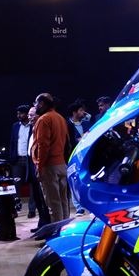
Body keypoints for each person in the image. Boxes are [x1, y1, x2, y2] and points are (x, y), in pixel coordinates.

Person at [31, 93, 70, 222]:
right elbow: (66, 143)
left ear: (41, 104)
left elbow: (43, 145)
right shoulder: (60, 118)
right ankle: (65, 230)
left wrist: (39, 166)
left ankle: (58, 234)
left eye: (36, 103)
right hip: (61, 165)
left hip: (49, 166)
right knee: (63, 200)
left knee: (53, 203)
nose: (35, 106)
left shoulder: (44, 120)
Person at [8, 105, 36, 219]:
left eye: (21, 113)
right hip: (18, 159)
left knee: (32, 186)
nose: (19, 116)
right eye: (18, 114)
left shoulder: (33, 126)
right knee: (16, 185)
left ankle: (32, 209)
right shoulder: (15, 126)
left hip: (30, 159)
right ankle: (15, 209)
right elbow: (12, 142)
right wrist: (11, 157)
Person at [26, 106, 51, 234]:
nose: (29, 117)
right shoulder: (33, 128)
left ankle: (46, 225)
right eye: (29, 115)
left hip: (40, 165)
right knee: (37, 197)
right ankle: (41, 223)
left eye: (31, 115)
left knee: (44, 198)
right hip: (31, 164)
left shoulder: (43, 128)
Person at [66, 101, 91, 214]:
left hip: (86, 155)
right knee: (74, 181)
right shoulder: (67, 124)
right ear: (74, 112)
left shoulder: (86, 123)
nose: (83, 112)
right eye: (80, 110)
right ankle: (78, 207)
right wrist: (77, 140)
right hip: (73, 156)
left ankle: (90, 205)